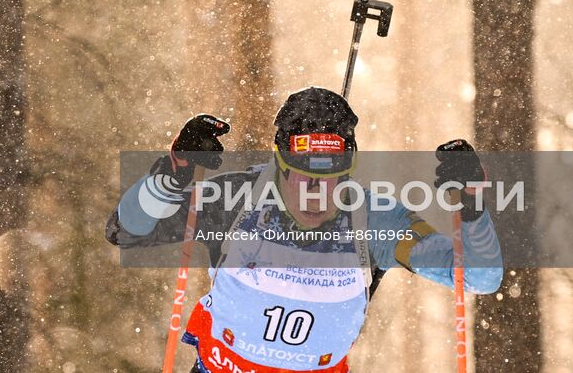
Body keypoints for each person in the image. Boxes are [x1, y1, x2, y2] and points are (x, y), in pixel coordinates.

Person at [106, 87, 503, 373]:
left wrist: (471, 207)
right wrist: (172, 175)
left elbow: (481, 278)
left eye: (332, 176)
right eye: (301, 175)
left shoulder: (374, 219)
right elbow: (125, 230)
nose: (316, 193)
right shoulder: (235, 198)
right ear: (279, 161)